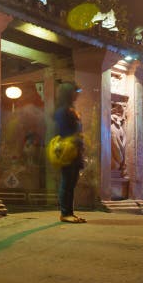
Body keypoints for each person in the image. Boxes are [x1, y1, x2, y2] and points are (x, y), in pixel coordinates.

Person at [54, 82, 86, 223]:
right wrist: (75, 138)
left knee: (72, 182)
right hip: (68, 149)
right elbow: (63, 131)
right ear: (68, 93)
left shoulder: (70, 109)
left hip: (75, 149)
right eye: (75, 91)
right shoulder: (62, 111)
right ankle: (65, 213)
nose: (78, 93)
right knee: (67, 182)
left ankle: (70, 213)